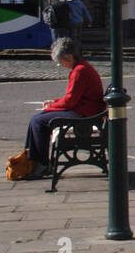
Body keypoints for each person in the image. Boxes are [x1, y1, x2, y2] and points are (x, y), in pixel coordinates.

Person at [23, 36, 104, 179]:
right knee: (37, 119)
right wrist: (53, 102)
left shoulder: (79, 71)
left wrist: (51, 107)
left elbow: (70, 102)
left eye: (61, 62)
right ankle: (33, 160)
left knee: (38, 121)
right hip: (85, 111)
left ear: (69, 57)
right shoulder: (81, 67)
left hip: (84, 115)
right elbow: (72, 97)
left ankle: (40, 163)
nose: (61, 65)